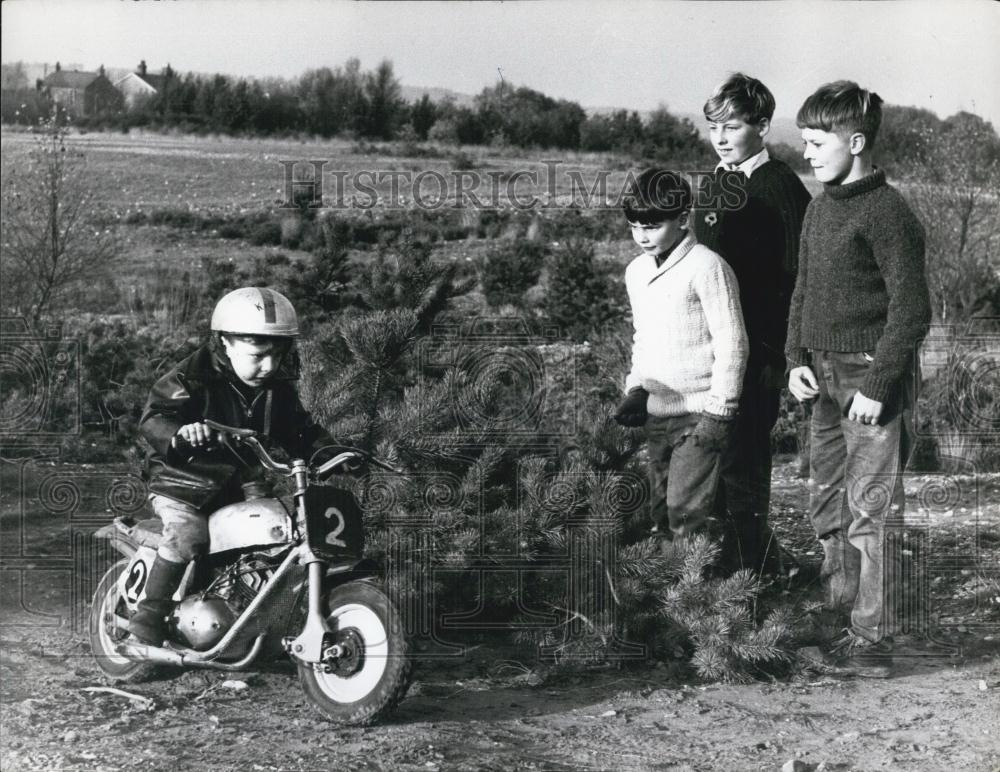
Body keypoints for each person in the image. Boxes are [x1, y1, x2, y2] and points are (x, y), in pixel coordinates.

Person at [786, 82, 931, 673]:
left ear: (857, 141)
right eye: (804, 142)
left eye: (817, 143)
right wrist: (796, 357)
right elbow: (802, 289)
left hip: (871, 378)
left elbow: (912, 310)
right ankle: (840, 609)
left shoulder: (889, 213)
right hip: (820, 375)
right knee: (825, 499)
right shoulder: (819, 205)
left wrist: (877, 388)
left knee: (871, 510)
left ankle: (874, 643)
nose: (808, 154)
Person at [129, 287, 341, 646]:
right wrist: (181, 434)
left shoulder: (278, 389)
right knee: (187, 535)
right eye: (258, 355)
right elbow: (155, 416)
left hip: (242, 478)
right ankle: (148, 618)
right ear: (225, 342)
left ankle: (251, 610)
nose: (269, 366)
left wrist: (330, 451)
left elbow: (300, 431)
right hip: (184, 481)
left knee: (274, 532)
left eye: (277, 354)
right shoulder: (191, 377)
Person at [693, 73, 812, 576]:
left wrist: (788, 358)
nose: (720, 138)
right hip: (713, 349)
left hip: (760, 351)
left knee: (745, 464)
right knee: (711, 464)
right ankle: (726, 573)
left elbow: (799, 279)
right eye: (714, 127)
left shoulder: (780, 187)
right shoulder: (715, 184)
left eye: (733, 126)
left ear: (762, 126)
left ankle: (754, 578)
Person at [615, 169, 748, 545]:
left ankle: (693, 592)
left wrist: (720, 410)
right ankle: (671, 595)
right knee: (660, 512)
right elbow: (644, 335)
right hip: (658, 413)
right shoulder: (636, 272)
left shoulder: (707, 267)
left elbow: (732, 340)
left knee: (685, 512)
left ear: (682, 219)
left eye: (653, 225)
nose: (642, 235)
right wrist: (637, 387)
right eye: (635, 225)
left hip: (699, 413)